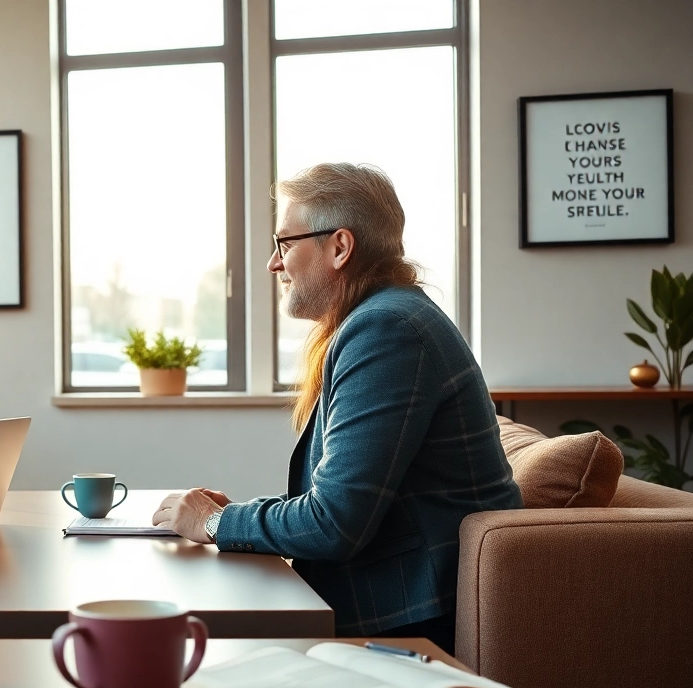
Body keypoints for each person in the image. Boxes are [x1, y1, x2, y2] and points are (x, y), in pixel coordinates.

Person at [152, 163, 522, 654]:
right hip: (392, 601)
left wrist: (216, 523)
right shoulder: (386, 318)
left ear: (340, 247)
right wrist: (232, 518)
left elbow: (335, 522)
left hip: (406, 622)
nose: (273, 263)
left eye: (285, 242)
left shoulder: (387, 331)